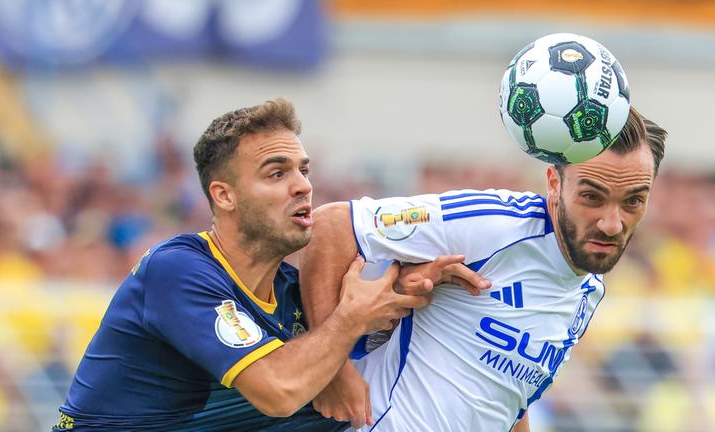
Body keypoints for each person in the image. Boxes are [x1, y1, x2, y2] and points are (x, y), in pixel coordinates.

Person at [53, 99, 435, 431]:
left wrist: (422, 282)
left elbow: (368, 338)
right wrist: (349, 319)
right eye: (277, 173)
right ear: (225, 196)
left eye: (304, 170)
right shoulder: (177, 270)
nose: (303, 186)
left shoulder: (291, 289)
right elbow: (279, 389)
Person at [299, 107, 667, 431]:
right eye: (592, 197)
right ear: (554, 184)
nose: (612, 224)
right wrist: (332, 372)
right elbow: (331, 226)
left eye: (633, 201)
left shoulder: (589, 290)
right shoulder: (494, 225)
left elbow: (508, 403)